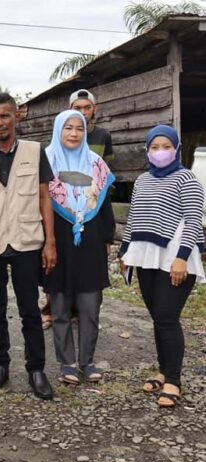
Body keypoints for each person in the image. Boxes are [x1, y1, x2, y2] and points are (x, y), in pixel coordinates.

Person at [0, 92, 56, 400]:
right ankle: (0, 366)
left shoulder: (34, 151)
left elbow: (45, 197)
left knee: (30, 308)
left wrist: (50, 242)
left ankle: (36, 369)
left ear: (16, 116)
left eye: (5, 115)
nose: (0, 122)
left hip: (26, 241)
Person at [119, 125, 205, 408]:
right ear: (147, 150)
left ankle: (174, 382)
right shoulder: (143, 180)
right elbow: (134, 218)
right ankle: (163, 370)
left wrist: (181, 257)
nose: (159, 152)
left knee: (168, 317)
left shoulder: (187, 179)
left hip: (175, 257)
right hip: (145, 257)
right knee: (158, 317)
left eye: (165, 146)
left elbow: (194, 220)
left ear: (176, 149)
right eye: (154, 147)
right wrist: (124, 253)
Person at [43, 110, 116, 385]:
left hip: (91, 242)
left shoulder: (96, 163)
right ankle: (67, 363)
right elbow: (38, 205)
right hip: (56, 242)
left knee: (90, 306)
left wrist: (108, 238)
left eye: (79, 129)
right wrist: (43, 244)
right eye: (68, 128)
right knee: (59, 307)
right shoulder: (46, 161)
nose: (74, 133)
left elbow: (105, 206)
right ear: (58, 130)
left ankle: (87, 360)